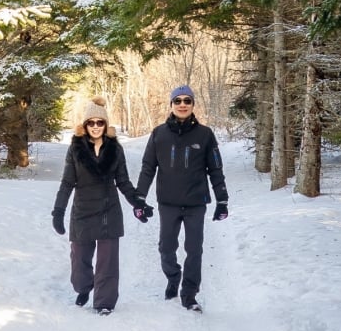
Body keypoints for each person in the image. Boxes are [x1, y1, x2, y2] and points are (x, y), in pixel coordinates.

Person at [51, 96, 153, 316]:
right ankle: (83, 288)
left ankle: (104, 301)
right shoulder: (75, 149)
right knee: (79, 260)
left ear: (106, 125)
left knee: (107, 262)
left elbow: (123, 182)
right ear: (84, 125)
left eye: (100, 123)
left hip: (108, 211)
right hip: (82, 210)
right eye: (91, 123)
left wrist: (138, 202)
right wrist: (58, 211)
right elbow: (68, 182)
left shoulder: (115, 149)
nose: (95, 127)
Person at [134, 85, 229, 312]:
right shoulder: (158, 134)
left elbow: (215, 168)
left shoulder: (205, 134)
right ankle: (173, 277)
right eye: (178, 101)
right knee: (166, 247)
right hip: (168, 202)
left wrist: (222, 200)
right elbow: (148, 168)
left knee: (194, 249)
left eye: (187, 100)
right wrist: (139, 198)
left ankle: (189, 295)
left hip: (196, 203)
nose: (183, 104)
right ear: (171, 105)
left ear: (193, 104)